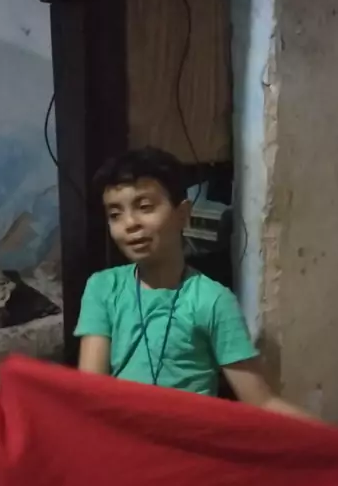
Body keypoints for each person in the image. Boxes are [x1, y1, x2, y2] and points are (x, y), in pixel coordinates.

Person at [76, 147, 306, 419]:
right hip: (122, 437)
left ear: (182, 214)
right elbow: (90, 392)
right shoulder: (103, 288)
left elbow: (262, 402)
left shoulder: (213, 301)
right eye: (115, 214)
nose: (130, 223)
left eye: (144, 207)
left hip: (189, 440)